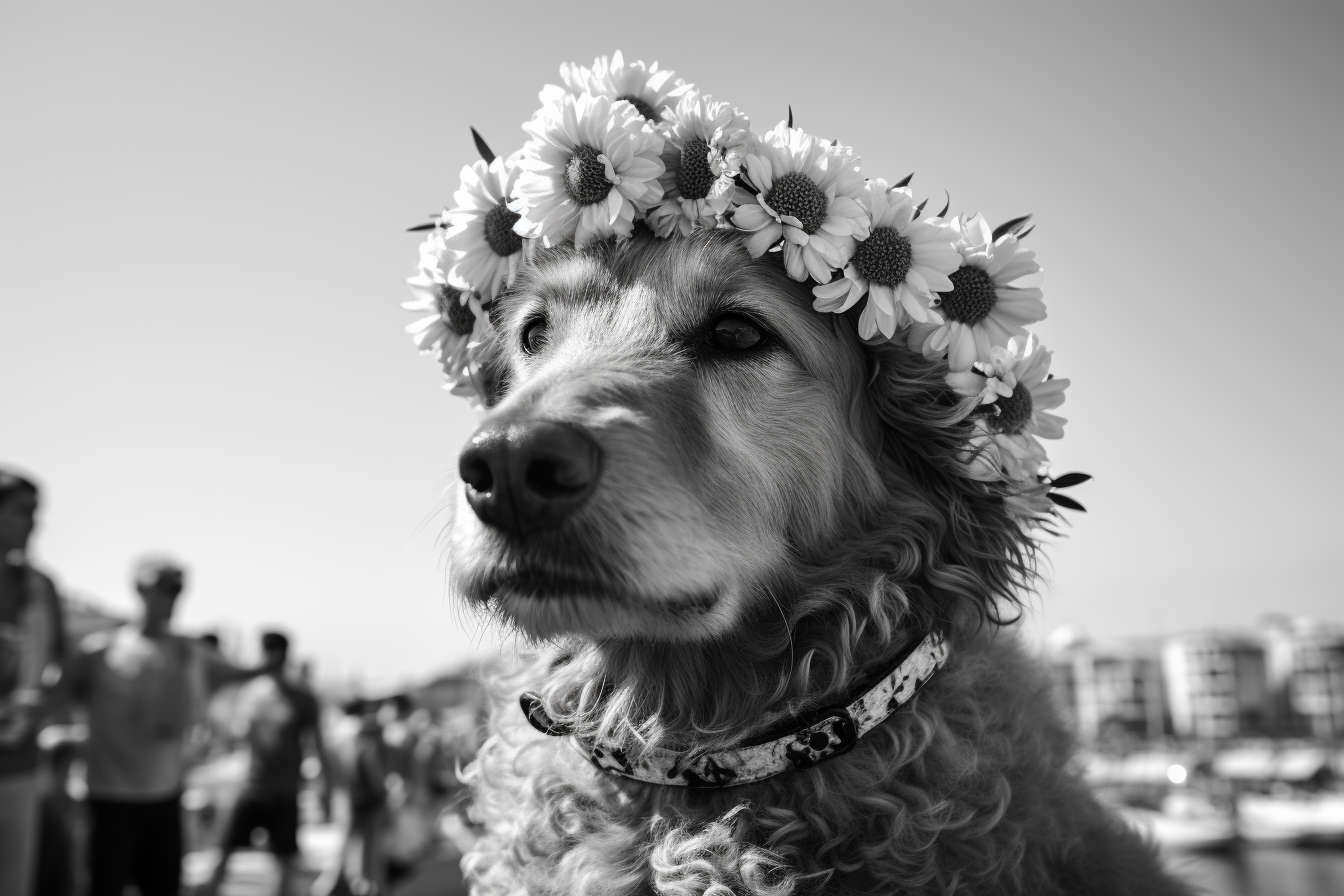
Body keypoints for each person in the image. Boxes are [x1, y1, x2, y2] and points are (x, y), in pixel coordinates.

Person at [67, 557, 267, 896]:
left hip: (164, 799)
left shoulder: (189, 654)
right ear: (140, 588)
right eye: (162, 585)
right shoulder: (97, 653)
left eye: (177, 588)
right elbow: (54, 702)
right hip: (109, 799)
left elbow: (241, 673)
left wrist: (272, 661)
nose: (171, 596)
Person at [206, 631, 330, 896]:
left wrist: (324, 787)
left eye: (273, 652)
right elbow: (231, 735)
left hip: (285, 790)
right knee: (224, 851)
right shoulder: (248, 693)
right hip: (250, 786)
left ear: (284, 654)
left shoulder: (302, 697)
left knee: (283, 858)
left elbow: (318, 746)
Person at [0, 469, 66, 896]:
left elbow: (60, 665)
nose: (34, 523)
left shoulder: (40, 587)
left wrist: (43, 701)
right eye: (24, 512)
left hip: (19, 765)